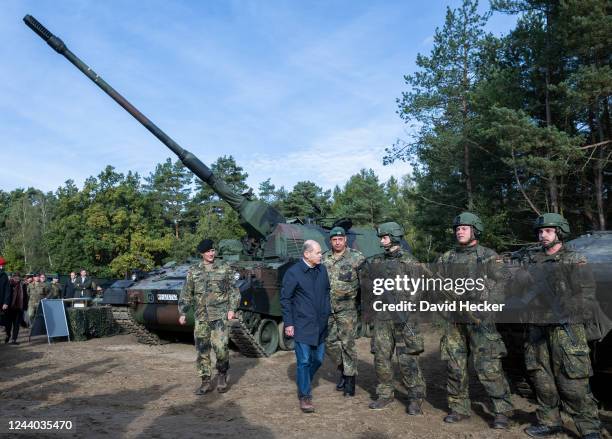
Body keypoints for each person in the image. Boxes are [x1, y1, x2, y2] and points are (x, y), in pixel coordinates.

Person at [520, 213, 601, 439]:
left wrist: (564, 307)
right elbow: (516, 291)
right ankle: (549, 422)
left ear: (559, 233)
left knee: (573, 381)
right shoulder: (532, 261)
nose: (542, 235)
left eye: (548, 231)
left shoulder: (574, 259)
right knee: (541, 378)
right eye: (540, 231)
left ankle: (589, 427)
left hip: (566, 328)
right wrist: (521, 281)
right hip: (538, 329)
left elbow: (587, 296)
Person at [437, 212, 514, 429]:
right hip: (454, 321)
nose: (459, 231)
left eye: (464, 227)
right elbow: (435, 286)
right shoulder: (447, 258)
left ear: (475, 230)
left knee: (488, 366)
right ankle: (458, 407)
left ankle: (501, 411)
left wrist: (486, 305)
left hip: (481, 321)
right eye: (457, 228)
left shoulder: (488, 256)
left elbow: (504, 283)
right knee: (454, 365)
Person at [366, 222, 426, 415]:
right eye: (381, 237)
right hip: (382, 317)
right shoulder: (376, 261)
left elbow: (419, 290)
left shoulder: (411, 262)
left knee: (408, 358)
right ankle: (385, 394)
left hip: (405, 317)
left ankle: (415, 397)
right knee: (381, 356)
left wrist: (405, 306)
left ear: (394, 237)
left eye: (384, 236)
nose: (381, 240)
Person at [178, 239, 240, 395]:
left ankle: (222, 375)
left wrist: (232, 309)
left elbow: (234, 290)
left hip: (219, 316)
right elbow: (187, 292)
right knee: (202, 350)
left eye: (213, 250)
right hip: (201, 317)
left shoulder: (224, 268)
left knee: (220, 348)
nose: (211, 253)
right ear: (202, 253)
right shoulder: (194, 271)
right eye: (208, 251)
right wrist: (183, 312)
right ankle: (205, 381)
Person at [280, 240, 331, 413]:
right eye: (317, 252)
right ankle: (305, 396)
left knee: (318, 359)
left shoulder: (322, 270)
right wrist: (289, 323)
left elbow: (326, 292)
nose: (321, 255)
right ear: (306, 254)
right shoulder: (293, 273)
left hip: (321, 324)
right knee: (303, 361)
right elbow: (286, 299)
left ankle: (304, 381)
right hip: (302, 323)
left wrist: (327, 312)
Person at [321, 226, 365, 397]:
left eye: (340, 239)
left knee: (348, 344)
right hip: (328, 308)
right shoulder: (324, 258)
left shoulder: (357, 258)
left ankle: (349, 381)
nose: (337, 242)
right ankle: (343, 369)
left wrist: (364, 306)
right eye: (334, 239)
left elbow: (365, 284)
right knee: (329, 343)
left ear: (345, 240)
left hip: (347, 309)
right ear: (330, 241)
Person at [5, 273, 26, 344]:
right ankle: (8, 335)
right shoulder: (9, 284)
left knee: (16, 325)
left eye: (18, 277)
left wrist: (25, 306)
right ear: (13, 277)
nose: (17, 279)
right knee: (8, 324)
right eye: (15, 277)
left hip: (19, 308)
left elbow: (25, 296)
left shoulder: (23, 285)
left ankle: (14, 339)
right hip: (9, 308)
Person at [0, 257, 13, 338]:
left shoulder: (4, 276)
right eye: (1, 265)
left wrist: (6, 302)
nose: (2, 267)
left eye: (2, 265)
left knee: (5, 321)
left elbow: (7, 291)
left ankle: (8, 334)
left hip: (2, 303)